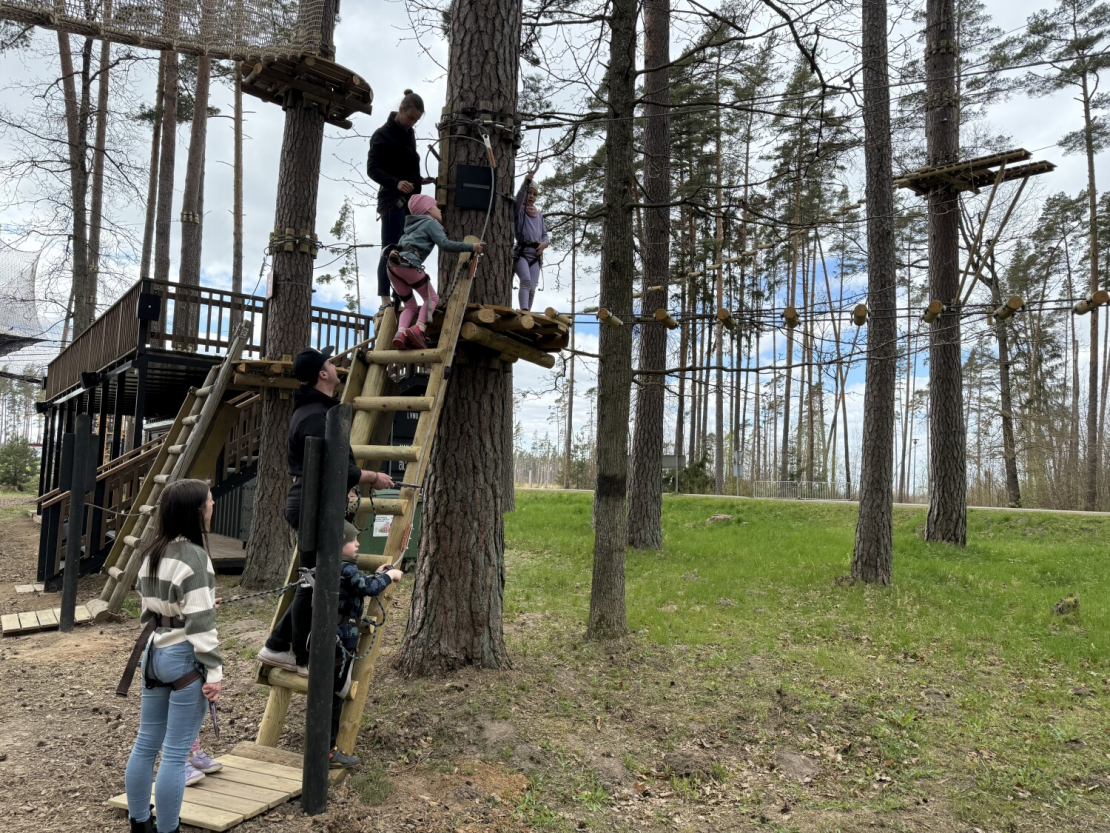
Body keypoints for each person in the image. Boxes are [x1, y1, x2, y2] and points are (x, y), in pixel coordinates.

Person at [257, 346, 393, 675]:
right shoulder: (316, 416)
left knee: (312, 580)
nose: (335, 365)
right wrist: (372, 477)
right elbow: (333, 467)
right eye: (330, 362)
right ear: (322, 373)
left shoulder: (318, 410)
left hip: (315, 504)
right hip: (312, 505)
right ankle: (299, 658)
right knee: (311, 582)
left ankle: (278, 645)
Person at [123, 479, 222, 833]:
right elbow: (201, 627)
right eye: (209, 502)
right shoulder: (196, 556)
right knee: (176, 753)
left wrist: (191, 605)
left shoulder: (151, 551)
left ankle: (139, 823)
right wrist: (215, 671)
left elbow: (149, 609)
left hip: (153, 652)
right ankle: (168, 829)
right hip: (184, 659)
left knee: (145, 743)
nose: (212, 506)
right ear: (197, 511)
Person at [327, 521, 404, 768]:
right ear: (339, 545)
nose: (358, 543)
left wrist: (378, 574)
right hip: (341, 642)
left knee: (334, 692)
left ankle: (327, 748)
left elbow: (359, 583)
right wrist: (389, 577)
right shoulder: (346, 569)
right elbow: (369, 588)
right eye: (352, 540)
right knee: (336, 693)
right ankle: (328, 751)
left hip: (336, 639)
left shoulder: (338, 567)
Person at [388, 193, 484, 350]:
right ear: (427, 209)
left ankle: (401, 333)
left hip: (392, 267)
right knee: (431, 298)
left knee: (410, 305)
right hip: (408, 264)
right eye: (436, 206)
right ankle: (419, 328)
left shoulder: (408, 230)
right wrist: (471, 247)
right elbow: (445, 244)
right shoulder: (430, 223)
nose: (440, 210)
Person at [367, 90, 435, 310]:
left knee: (407, 249)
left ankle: (402, 297)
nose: (412, 123)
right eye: (410, 118)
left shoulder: (409, 134)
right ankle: (385, 300)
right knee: (390, 248)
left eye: (416, 121)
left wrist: (419, 181)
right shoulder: (382, 135)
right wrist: (395, 182)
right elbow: (373, 169)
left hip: (410, 200)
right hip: (391, 199)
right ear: (402, 110)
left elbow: (408, 167)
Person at [513, 171, 549, 311]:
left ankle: (527, 313)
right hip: (521, 252)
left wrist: (544, 244)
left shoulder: (539, 215)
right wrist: (525, 184)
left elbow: (544, 235)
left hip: (535, 255)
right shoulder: (519, 211)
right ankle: (524, 311)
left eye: (535, 194)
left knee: (532, 288)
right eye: (529, 193)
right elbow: (518, 199)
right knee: (526, 281)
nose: (531, 196)